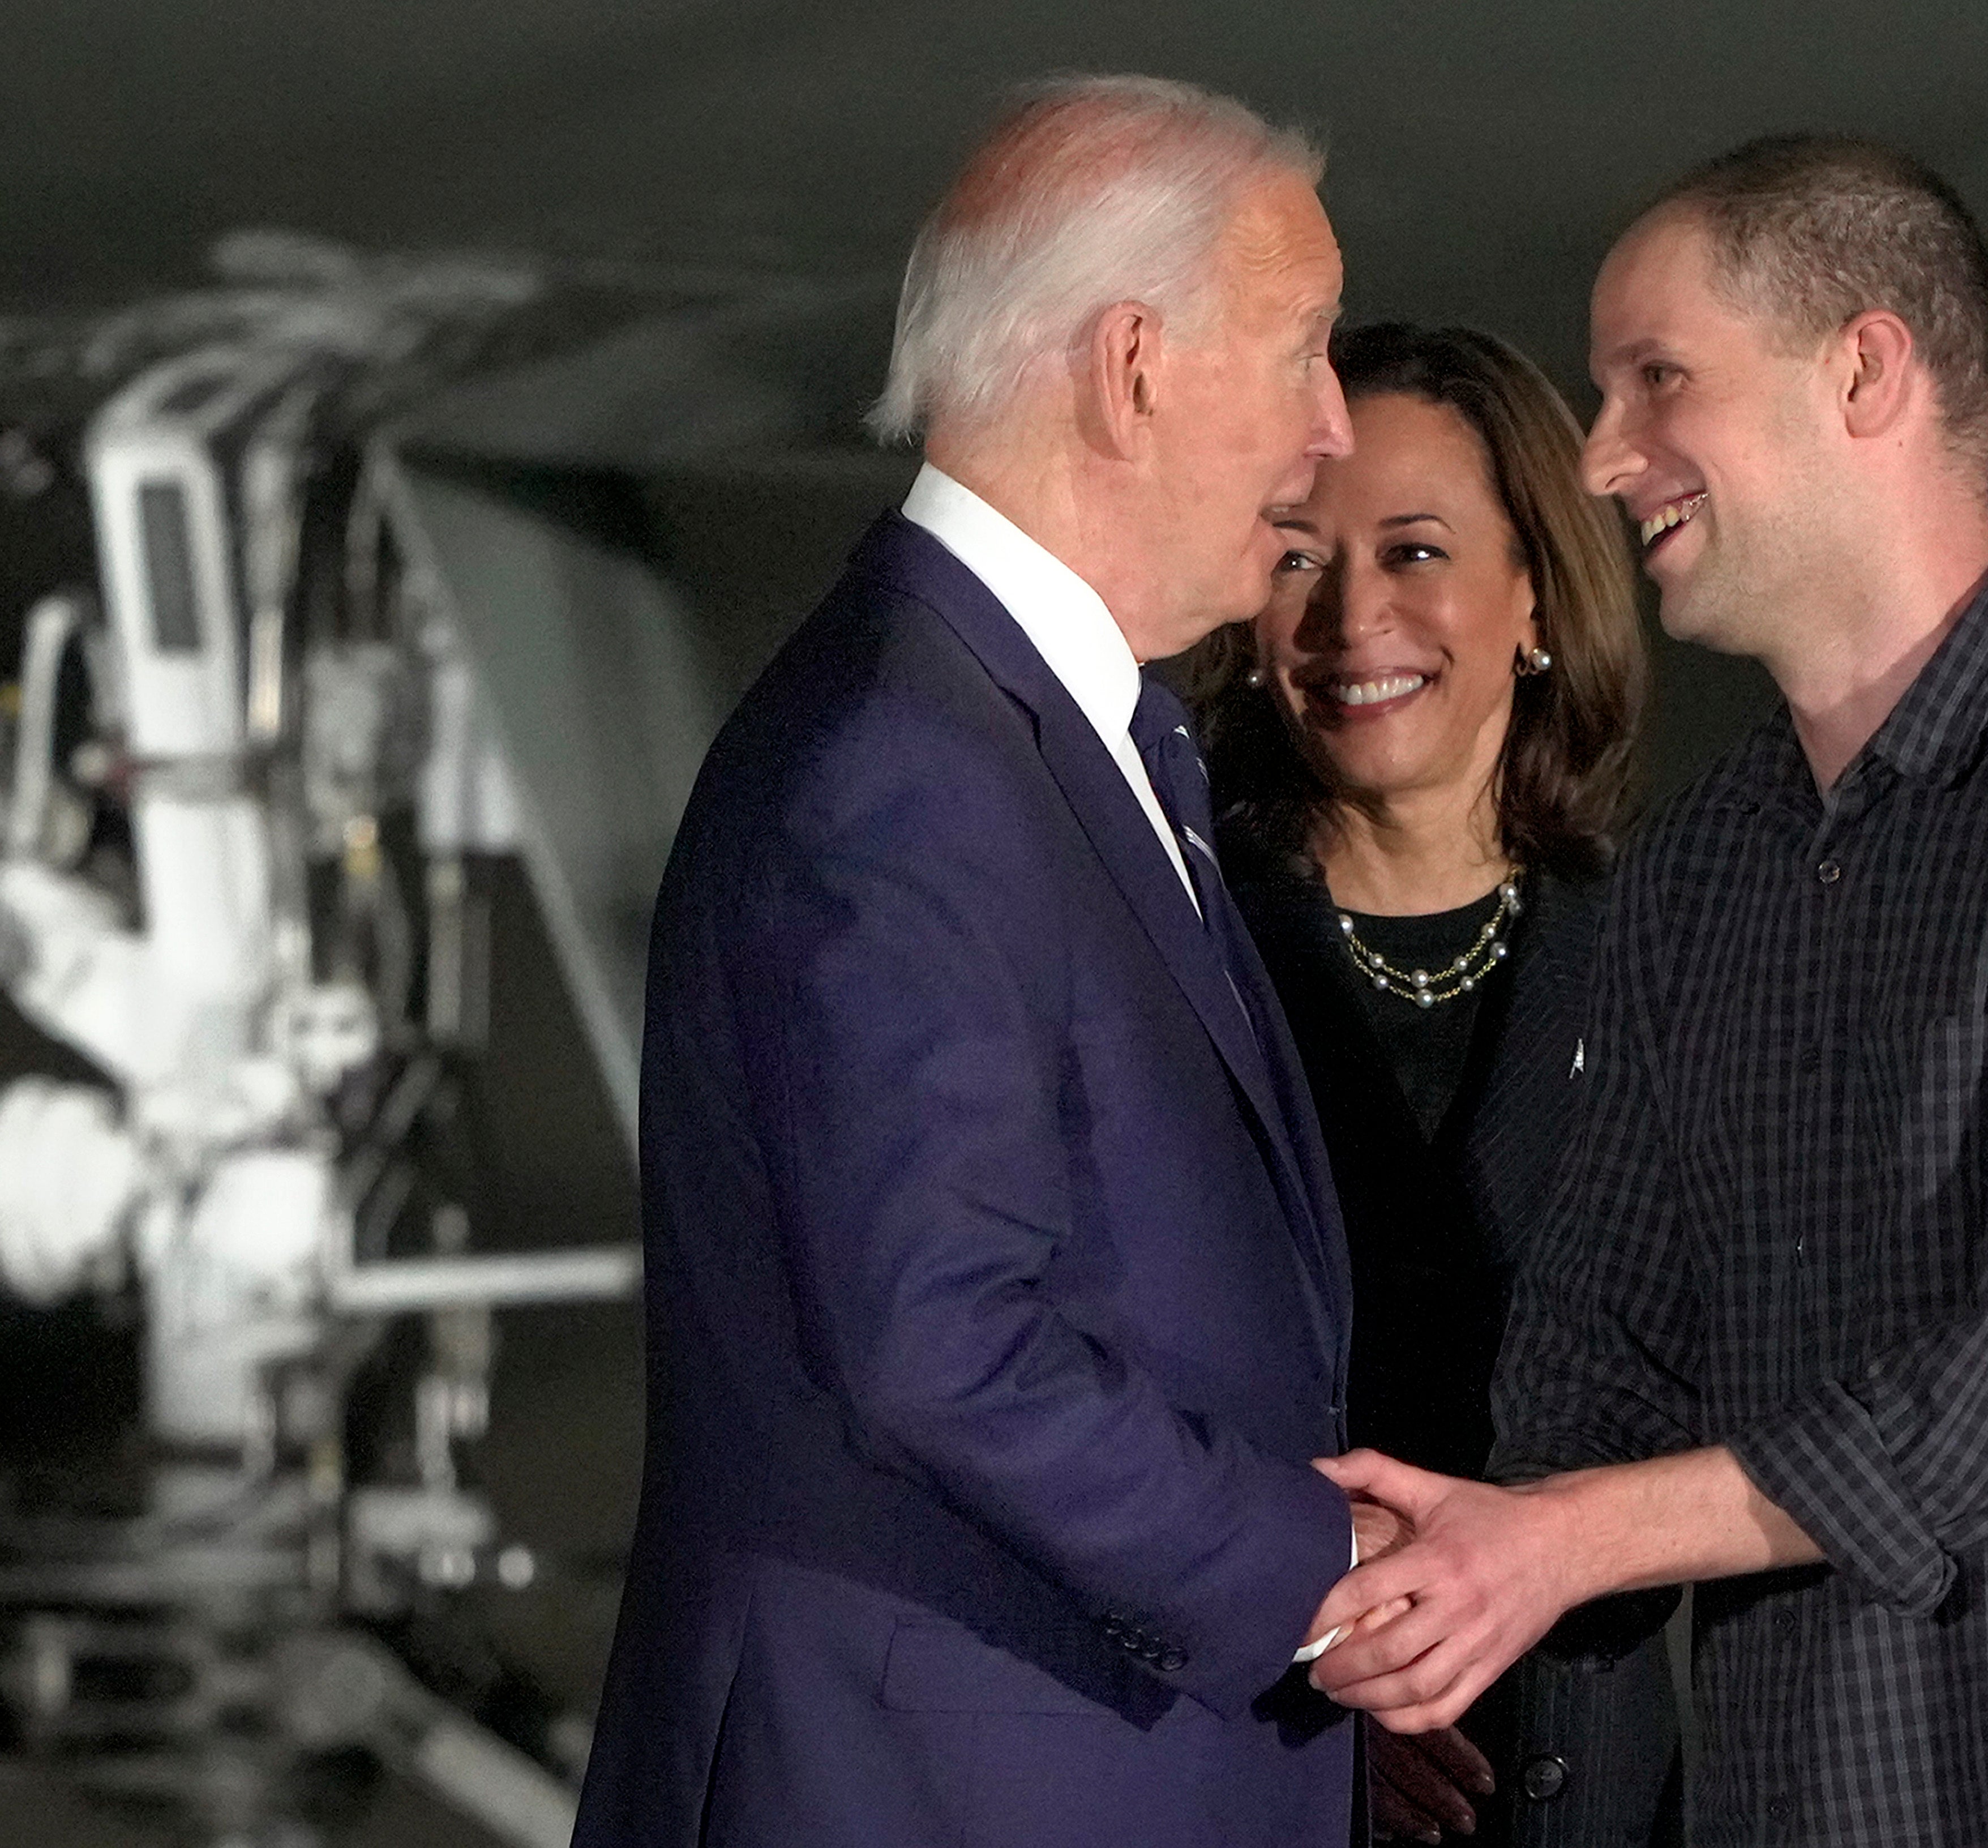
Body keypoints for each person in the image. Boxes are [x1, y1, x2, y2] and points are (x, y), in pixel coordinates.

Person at [1303, 135, 1988, 1846]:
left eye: (1658, 378)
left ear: (1865, 369)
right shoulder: (1708, 864)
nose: (1602, 455)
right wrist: (1416, 1574)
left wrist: (1559, 1542)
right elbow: (1601, 1359)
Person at [573, 75, 1391, 1848]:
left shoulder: (1016, 735)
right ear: (1134, 366)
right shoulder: (906, 766)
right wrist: (1330, 1578)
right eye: (1306, 348)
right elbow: (940, 1341)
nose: (1333, 427)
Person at [1186, 322, 1672, 1847]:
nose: (1351, 619)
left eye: (1414, 551)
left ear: (1537, 590)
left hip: (1593, 1790)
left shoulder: (1683, 964)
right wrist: (1306, 1673)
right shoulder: (1165, 947)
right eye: (1296, 557)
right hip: (1249, 1773)